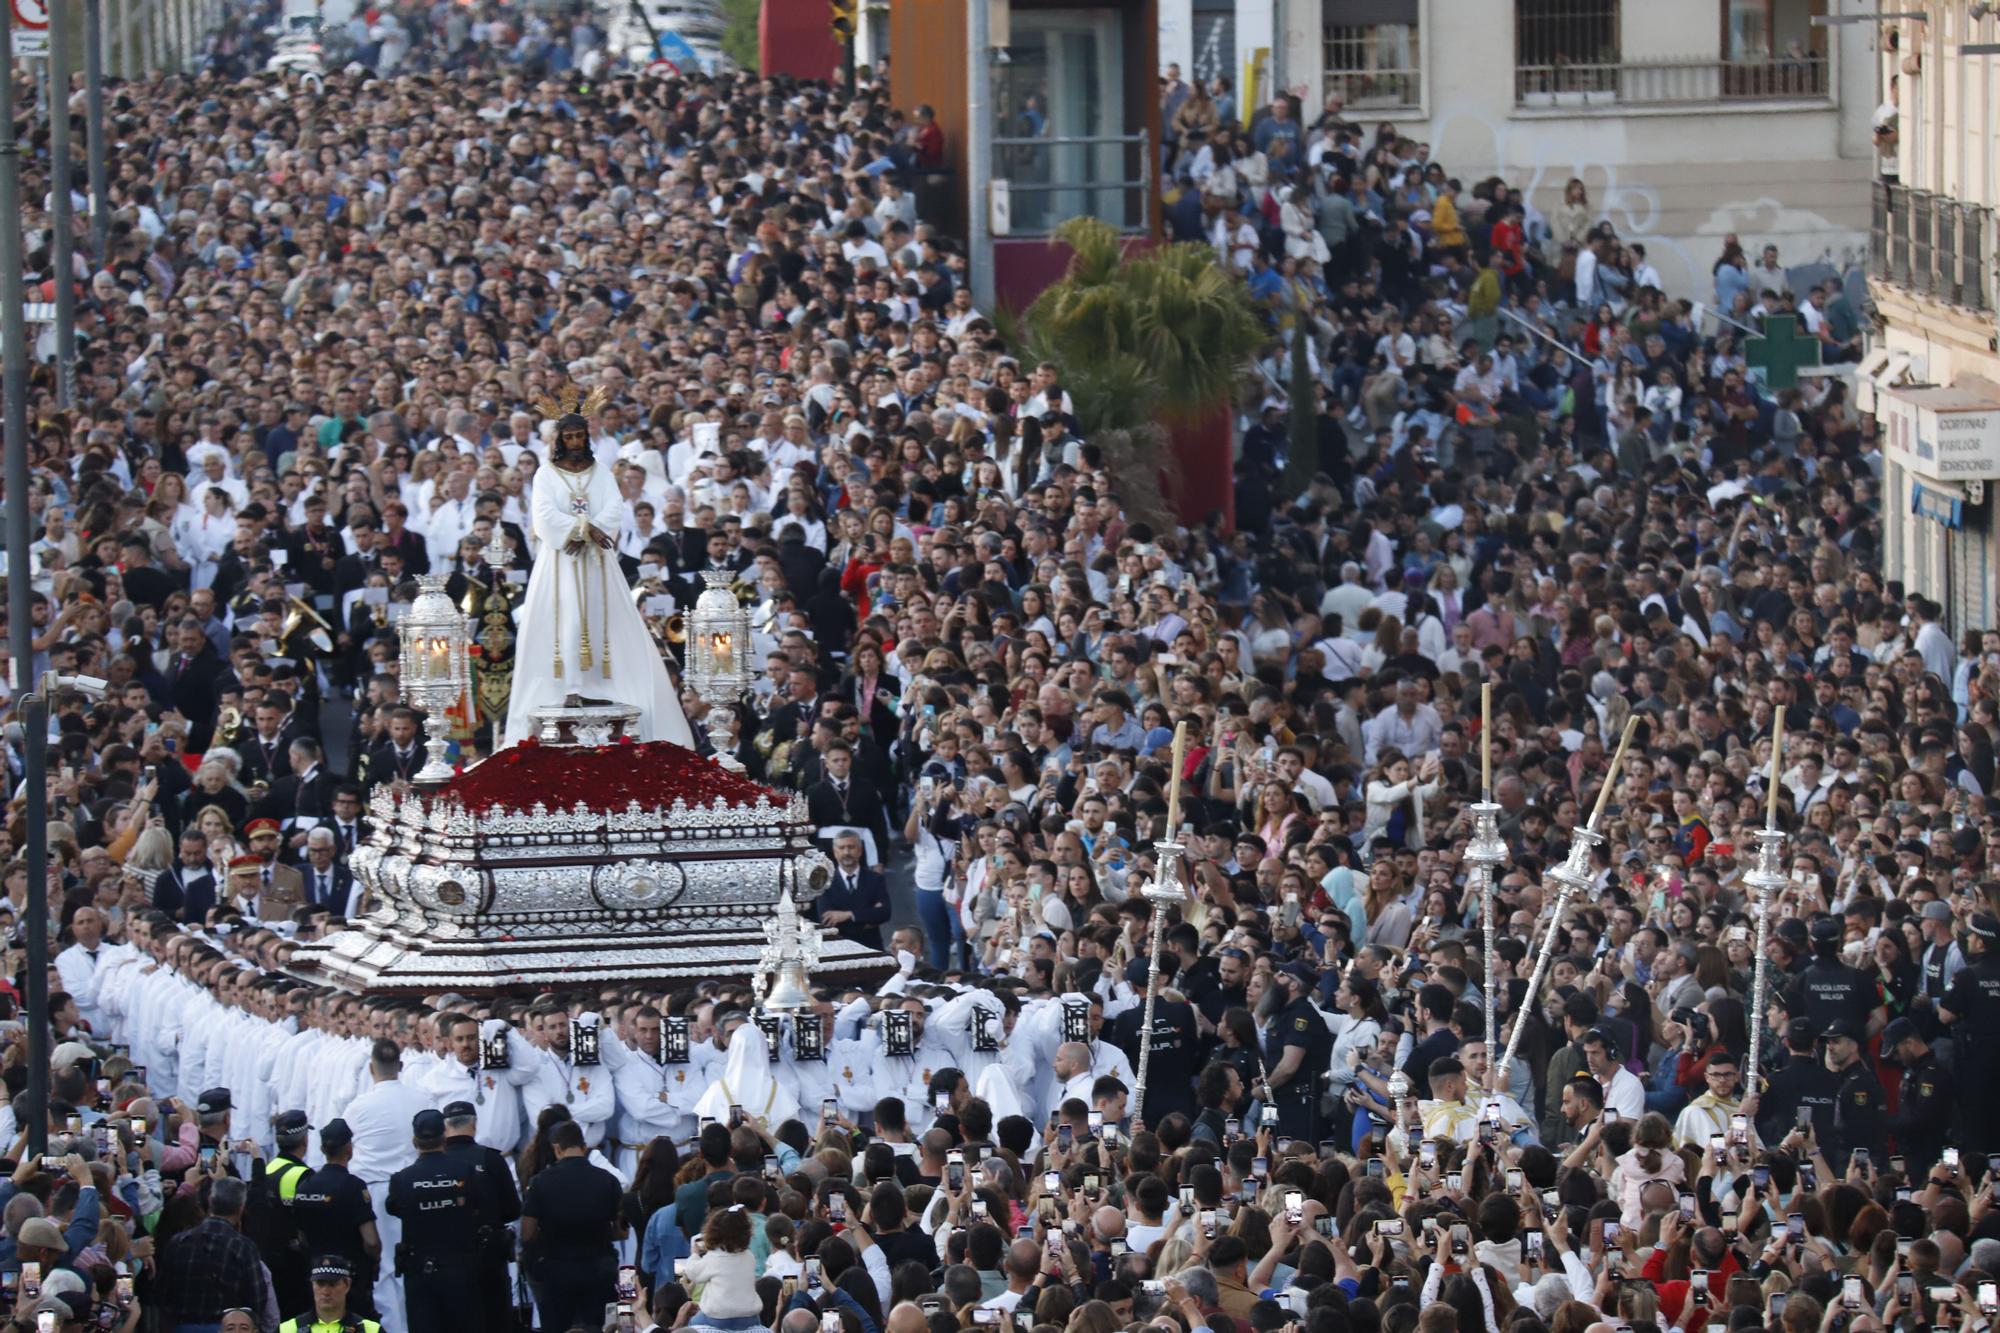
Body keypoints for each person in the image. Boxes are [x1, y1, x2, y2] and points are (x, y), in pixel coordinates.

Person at [501, 400, 694, 749]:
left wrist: (589, 533)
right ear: (560, 440)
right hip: (559, 561)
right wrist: (579, 530)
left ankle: (601, 686)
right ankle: (569, 687)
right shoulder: (546, 473)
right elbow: (543, 514)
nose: (574, 442)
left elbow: (614, 508)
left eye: (579, 436)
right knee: (566, 622)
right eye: (568, 436)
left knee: (601, 622)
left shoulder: (601, 472)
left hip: (596, 563)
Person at [386, 1109, 492, 1333]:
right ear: (444, 1136)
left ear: (415, 1140)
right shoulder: (467, 1172)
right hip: (461, 1270)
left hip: (421, 1273)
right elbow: (483, 1206)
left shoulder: (401, 1180)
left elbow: (394, 1207)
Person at [520, 1119, 624, 1333]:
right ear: (584, 1147)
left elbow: (527, 1234)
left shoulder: (540, 1182)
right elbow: (622, 1231)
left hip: (557, 1271)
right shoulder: (608, 1181)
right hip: (599, 1269)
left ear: (557, 1148)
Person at [279, 1256, 384, 1333]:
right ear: (312, 1285)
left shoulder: (370, 1330)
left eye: (332, 1284)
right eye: (320, 1284)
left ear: (347, 1285)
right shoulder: (287, 1330)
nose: (325, 1291)